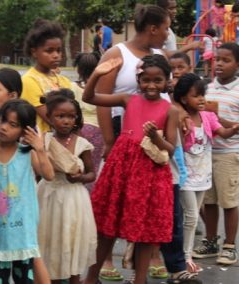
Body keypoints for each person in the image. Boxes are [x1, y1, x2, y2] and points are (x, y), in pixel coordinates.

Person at [83, 54, 179, 284]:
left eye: (158, 81)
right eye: (145, 80)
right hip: (122, 169)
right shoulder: (128, 100)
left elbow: (171, 149)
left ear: (167, 81)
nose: (151, 85)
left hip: (150, 174)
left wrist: (156, 137)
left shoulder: (171, 110)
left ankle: (140, 279)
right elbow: (89, 97)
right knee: (107, 225)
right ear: (138, 80)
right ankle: (91, 277)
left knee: (145, 231)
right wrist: (97, 73)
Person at [94, 5, 173, 283]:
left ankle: (142, 267)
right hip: (123, 134)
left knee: (144, 211)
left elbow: (167, 99)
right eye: (165, 27)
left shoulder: (159, 56)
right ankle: (103, 263)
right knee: (112, 208)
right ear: (152, 27)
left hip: (154, 141)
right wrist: (108, 139)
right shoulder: (118, 53)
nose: (167, 33)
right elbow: (100, 96)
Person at [173, 73, 239, 273]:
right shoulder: (178, 117)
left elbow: (223, 132)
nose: (202, 99)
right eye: (196, 95)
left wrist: (235, 128)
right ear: (184, 98)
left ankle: (185, 255)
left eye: (203, 94)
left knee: (191, 216)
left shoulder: (207, 116)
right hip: (184, 176)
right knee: (191, 216)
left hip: (203, 176)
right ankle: (185, 258)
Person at [0, 99, 54, 284]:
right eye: (3, 120)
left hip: (22, 234)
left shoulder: (26, 153)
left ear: (25, 131)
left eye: (13, 124)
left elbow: (48, 175)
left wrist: (39, 148)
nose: (4, 127)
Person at [37, 89, 97, 283]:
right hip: (48, 196)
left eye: (71, 117)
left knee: (73, 239)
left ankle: (74, 279)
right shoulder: (43, 141)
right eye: (60, 116)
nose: (66, 121)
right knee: (50, 238)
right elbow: (38, 171)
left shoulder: (82, 144)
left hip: (74, 198)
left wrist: (80, 178)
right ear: (49, 117)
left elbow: (91, 173)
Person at [193, 42, 239, 266]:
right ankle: (210, 241)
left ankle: (230, 246)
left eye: (226, 60)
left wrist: (219, 117)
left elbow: (231, 124)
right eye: (217, 60)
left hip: (230, 153)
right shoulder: (208, 88)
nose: (219, 64)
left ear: (237, 64)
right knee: (208, 201)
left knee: (228, 200)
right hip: (206, 152)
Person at [21, 19, 71, 133]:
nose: (56, 55)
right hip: (42, 143)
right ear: (34, 52)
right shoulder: (29, 80)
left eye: (59, 50)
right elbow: (50, 119)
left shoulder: (65, 81)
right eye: (49, 51)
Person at [71, 53, 105, 191]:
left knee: (76, 167)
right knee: (93, 168)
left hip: (77, 132)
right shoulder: (102, 89)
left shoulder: (72, 87)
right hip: (98, 132)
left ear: (78, 69)